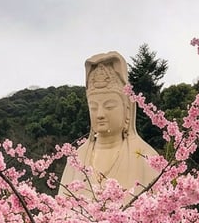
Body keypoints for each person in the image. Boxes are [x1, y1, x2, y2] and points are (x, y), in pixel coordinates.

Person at [59, 51, 159, 199]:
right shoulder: (77, 159)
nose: (100, 114)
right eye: (93, 107)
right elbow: (62, 206)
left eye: (109, 106)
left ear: (127, 110)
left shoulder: (146, 156)